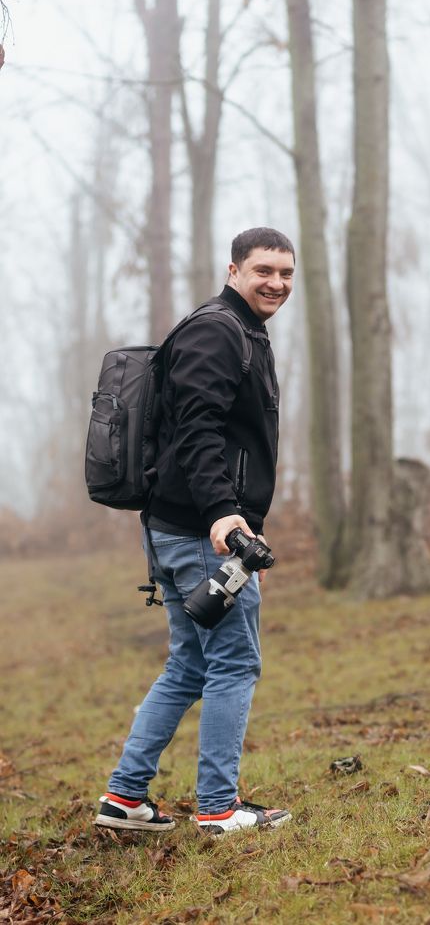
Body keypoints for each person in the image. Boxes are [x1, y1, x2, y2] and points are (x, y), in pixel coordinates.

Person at [94, 227, 295, 836]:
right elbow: (199, 431)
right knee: (234, 663)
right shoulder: (217, 331)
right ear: (233, 270)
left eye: (286, 273)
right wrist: (222, 514)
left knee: (188, 665)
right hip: (204, 533)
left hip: (177, 527)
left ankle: (126, 800)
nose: (277, 283)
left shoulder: (241, 330)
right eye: (264, 270)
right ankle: (218, 808)